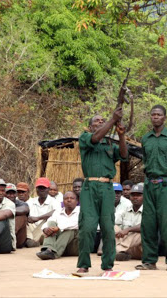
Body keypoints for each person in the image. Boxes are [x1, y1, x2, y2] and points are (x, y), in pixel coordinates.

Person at [75, 108, 128, 276]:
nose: (101, 122)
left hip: (107, 188)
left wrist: (120, 135)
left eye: (102, 120)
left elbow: (125, 155)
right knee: (87, 227)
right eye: (97, 121)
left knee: (108, 227)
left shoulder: (110, 143)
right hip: (90, 187)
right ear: (90, 127)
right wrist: (112, 120)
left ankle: (107, 265)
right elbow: (95, 138)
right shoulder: (85, 138)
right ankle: (83, 264)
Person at [136, 105, 167, 272]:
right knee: (148, 223)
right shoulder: (146, 138)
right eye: (153, 115)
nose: (155, 117)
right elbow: (146, 159)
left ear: (165, 118)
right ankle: (149, 261)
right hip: (149, 184)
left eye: (159, 115)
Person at [36, 191, 80, 260]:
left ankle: (53, 253)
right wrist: (46, 229)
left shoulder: (81, 211)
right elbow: (48, 221)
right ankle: (48, 249)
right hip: (61, 246)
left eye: (72, 198)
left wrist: (58, 228)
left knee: (69, 230)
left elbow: (77, 223)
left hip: (75, 246)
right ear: (63, 201)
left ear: (77, 201)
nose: (69, 200)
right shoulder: (58, 211)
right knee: (51, 223)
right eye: (66, 198)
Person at [26, 177, 60, 248]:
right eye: (39, 188)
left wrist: (38, 218)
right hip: (33, 228)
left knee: (49, 220)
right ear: (36, 189)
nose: (41, 190)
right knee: (23, 219)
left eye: (44, 188)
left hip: (43, 229)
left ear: (48, 189)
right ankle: (31, 240)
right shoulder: (31, 201)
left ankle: (31, 240)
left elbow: (57, 211)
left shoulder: (54, 201)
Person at [115, 184, 144, 261]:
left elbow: (146, 226)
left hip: (140, 249)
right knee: (113, 227)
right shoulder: (125, 210)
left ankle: (117, 250)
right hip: (127, 247)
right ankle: (121, 251)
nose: (135, 197)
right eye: (133, 195)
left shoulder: (148, 210)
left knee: (141, 232)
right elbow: (116, 225)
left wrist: (128, 230)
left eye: (139, 195)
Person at [6, 183, 30, 248]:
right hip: (2, 234)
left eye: (13, 193)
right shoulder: (0, 203)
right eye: (8, 193)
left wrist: (5, 213)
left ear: (16, 194)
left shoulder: (21, 203)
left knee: (22, 216)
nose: (11, 195)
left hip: (18, 238)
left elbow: (25, 210)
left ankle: (9, 240)